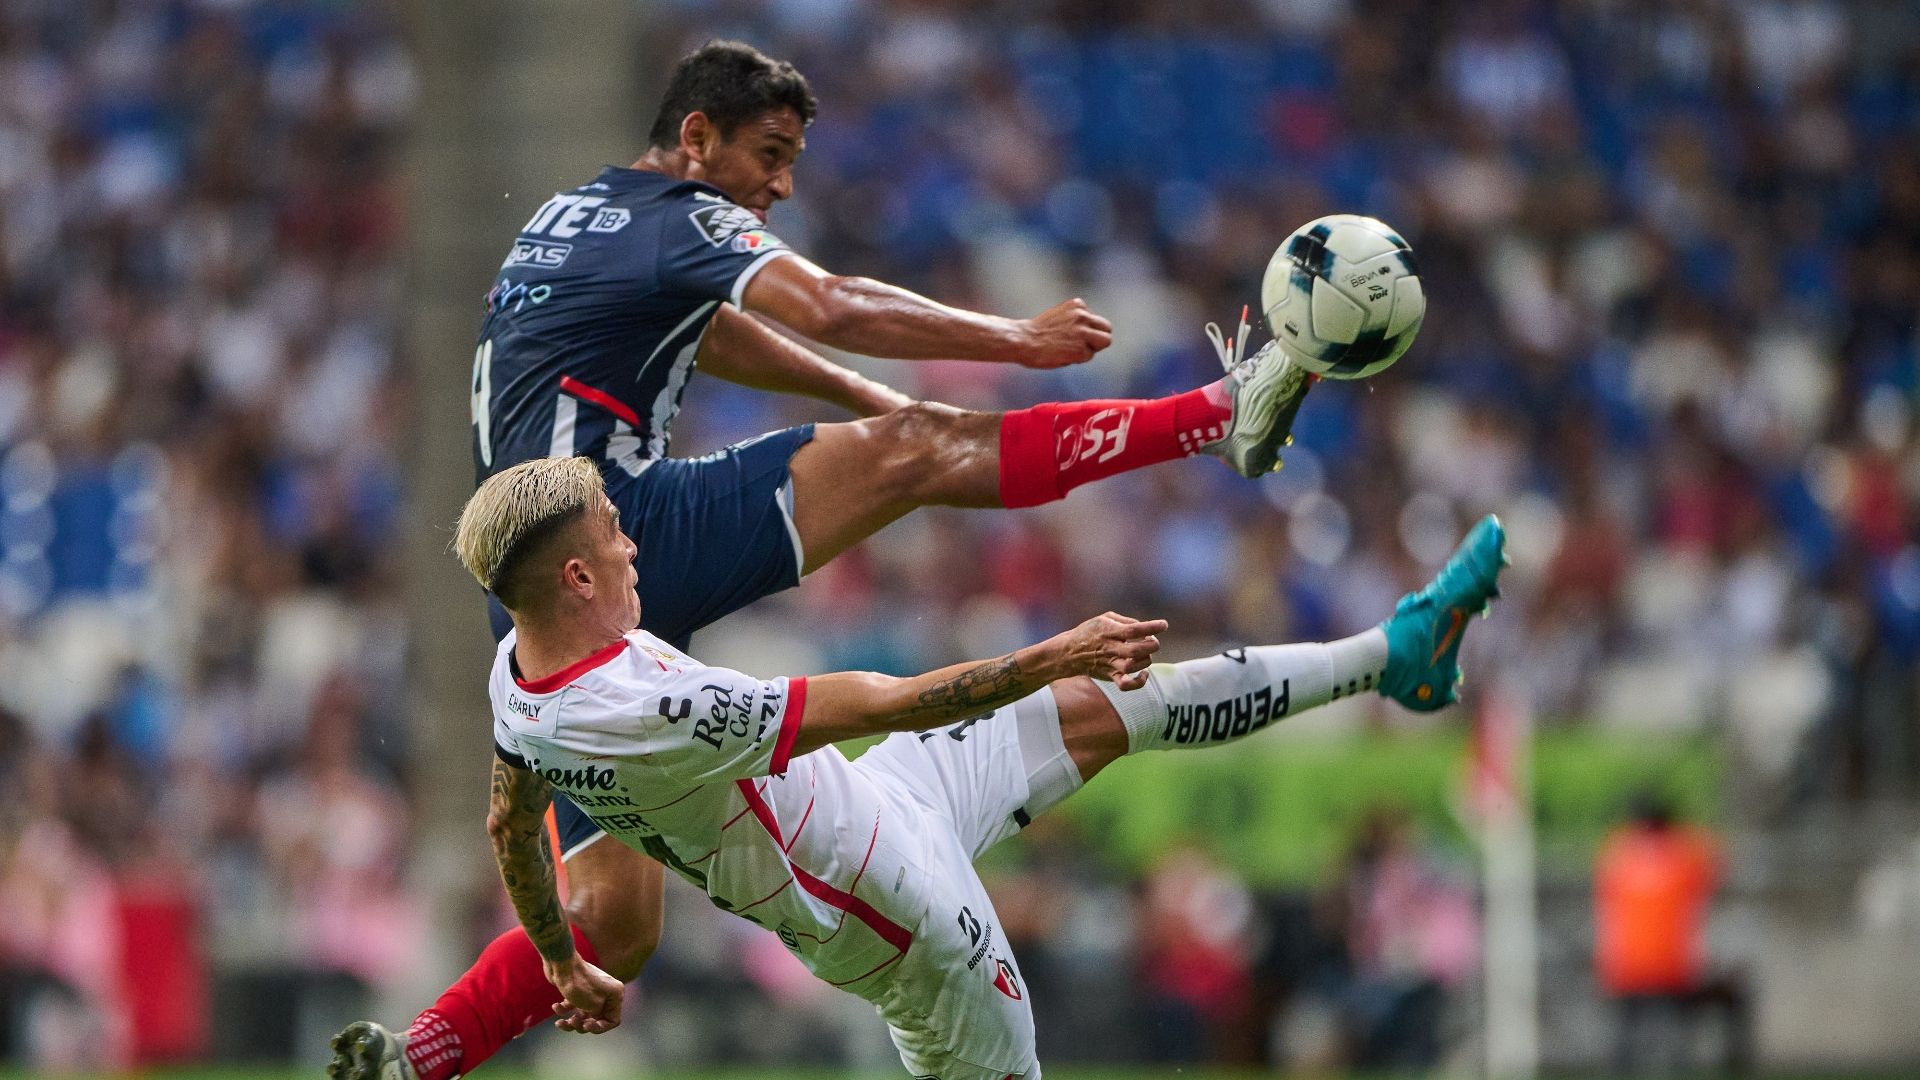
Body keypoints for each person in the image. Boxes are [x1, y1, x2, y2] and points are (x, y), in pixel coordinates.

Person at [333, 37, 1314, 1080]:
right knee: (922, 457)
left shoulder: (576, 220)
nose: (783, 184)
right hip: (617, 531)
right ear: (697, 137)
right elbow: (832, 304)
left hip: (537, 602)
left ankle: (422, 1054)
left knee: (610, 922)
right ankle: (1217, 413)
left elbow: (706, 336)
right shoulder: (682, 217)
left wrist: (860, 399)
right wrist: (1015, 341)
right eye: (769, 152)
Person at [332, 457, 1505, 1080]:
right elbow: (885, 698)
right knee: (1082, 682)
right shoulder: (651, 703)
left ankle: (1393, 657)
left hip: (887, 798)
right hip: (891, 907)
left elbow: (507, 823)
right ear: (577, 581)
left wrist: (551, 957)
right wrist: (1052, 644)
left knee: (1108, 709)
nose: (632, 543)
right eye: (611, 539)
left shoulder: (518, 681)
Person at [1594, 793, 1751, 1077]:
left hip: (1623, 975)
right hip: (1674, 974)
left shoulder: (1616, 855)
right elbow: (1722, 860)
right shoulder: (1685, 855)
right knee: (1737, 995)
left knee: (1627, 1028)